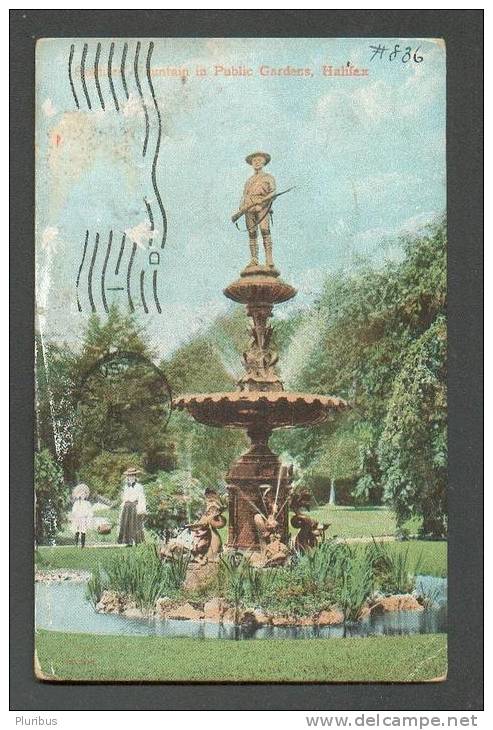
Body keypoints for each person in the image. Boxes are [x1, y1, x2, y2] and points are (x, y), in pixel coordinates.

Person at [235, 151, 276, 268]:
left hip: (263, 206)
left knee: (265, 230)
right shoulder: (249, 181)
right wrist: (242, 207)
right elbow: (244, 195)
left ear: (264, 162)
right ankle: (254, 259)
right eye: (254, 161)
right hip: (249, 207)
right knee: (252, 233)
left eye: (259, 160)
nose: (257, 162)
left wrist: (263, 200)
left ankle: (269, 259)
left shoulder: (269, 178)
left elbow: (273, 193)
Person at [118, 467, 145, 546]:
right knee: (126, 523)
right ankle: (127, 541)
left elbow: (141, 498)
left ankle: (137, 541)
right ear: (127, 477)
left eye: (133, 475)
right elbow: (124, 497)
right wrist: (123, 506)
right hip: (127, 507)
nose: (131, 477)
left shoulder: (139, 486)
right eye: (129, 476)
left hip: (135, 506)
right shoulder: (126, 486)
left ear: (135, 476)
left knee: (135, 524)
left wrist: (141, 508)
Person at [70, 483, 93, 548]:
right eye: (81, 494)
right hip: (77, 518)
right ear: (78, 495)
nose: (83, 495)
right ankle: (76, 544)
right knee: (77, 531)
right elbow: (74, 511)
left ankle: (83, 545)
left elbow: (89, 511)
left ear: (86, 495)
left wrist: (88, 518)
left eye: (84, 494)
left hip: (83, 519)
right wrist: (74, 516)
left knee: (83, 531)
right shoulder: (77, 503)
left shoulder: (87, 503)